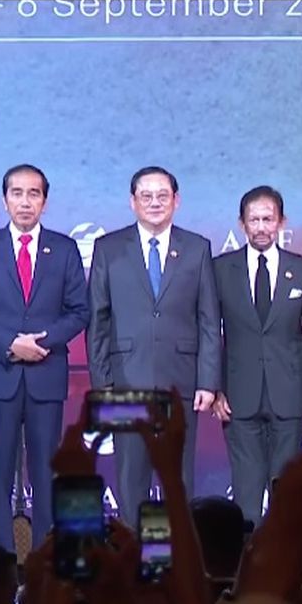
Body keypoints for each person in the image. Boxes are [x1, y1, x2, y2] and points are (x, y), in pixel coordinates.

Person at [0, 164, 89, 551]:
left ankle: (46, 561)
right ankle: (0, 561)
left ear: (45, 202)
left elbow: (78, 311)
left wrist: (41, 343)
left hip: (46, 374)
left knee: (47, 473)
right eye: (17, 193)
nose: (25, 201)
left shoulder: (64, 248)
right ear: (5, 200)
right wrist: (10, 343)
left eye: (33, 193)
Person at [87, 166, 221, 526]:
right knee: (132, 482)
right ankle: (138, 565)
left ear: (176, 201)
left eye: (163, 195)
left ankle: (177, 565)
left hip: (182, 382)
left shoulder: (197, 248)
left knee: (178, 482)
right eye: (146, 196)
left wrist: (208, 381)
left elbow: (209, 320)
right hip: (126, 383)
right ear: (133, 202)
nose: (155, 202)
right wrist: (103, 384)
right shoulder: (108, 248)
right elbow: (98, 321)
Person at [212, 186, 302, 524]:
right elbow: (209, 335)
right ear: (242, 224)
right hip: (238, 397)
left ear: (281, 222)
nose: (261, 227)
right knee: (245, 493)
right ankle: (245, 570)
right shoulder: (219, 269)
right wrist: (215, 388)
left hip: (290, 395)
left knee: (287, 492)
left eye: (268, 219)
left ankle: (287, 570)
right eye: (254, 219)